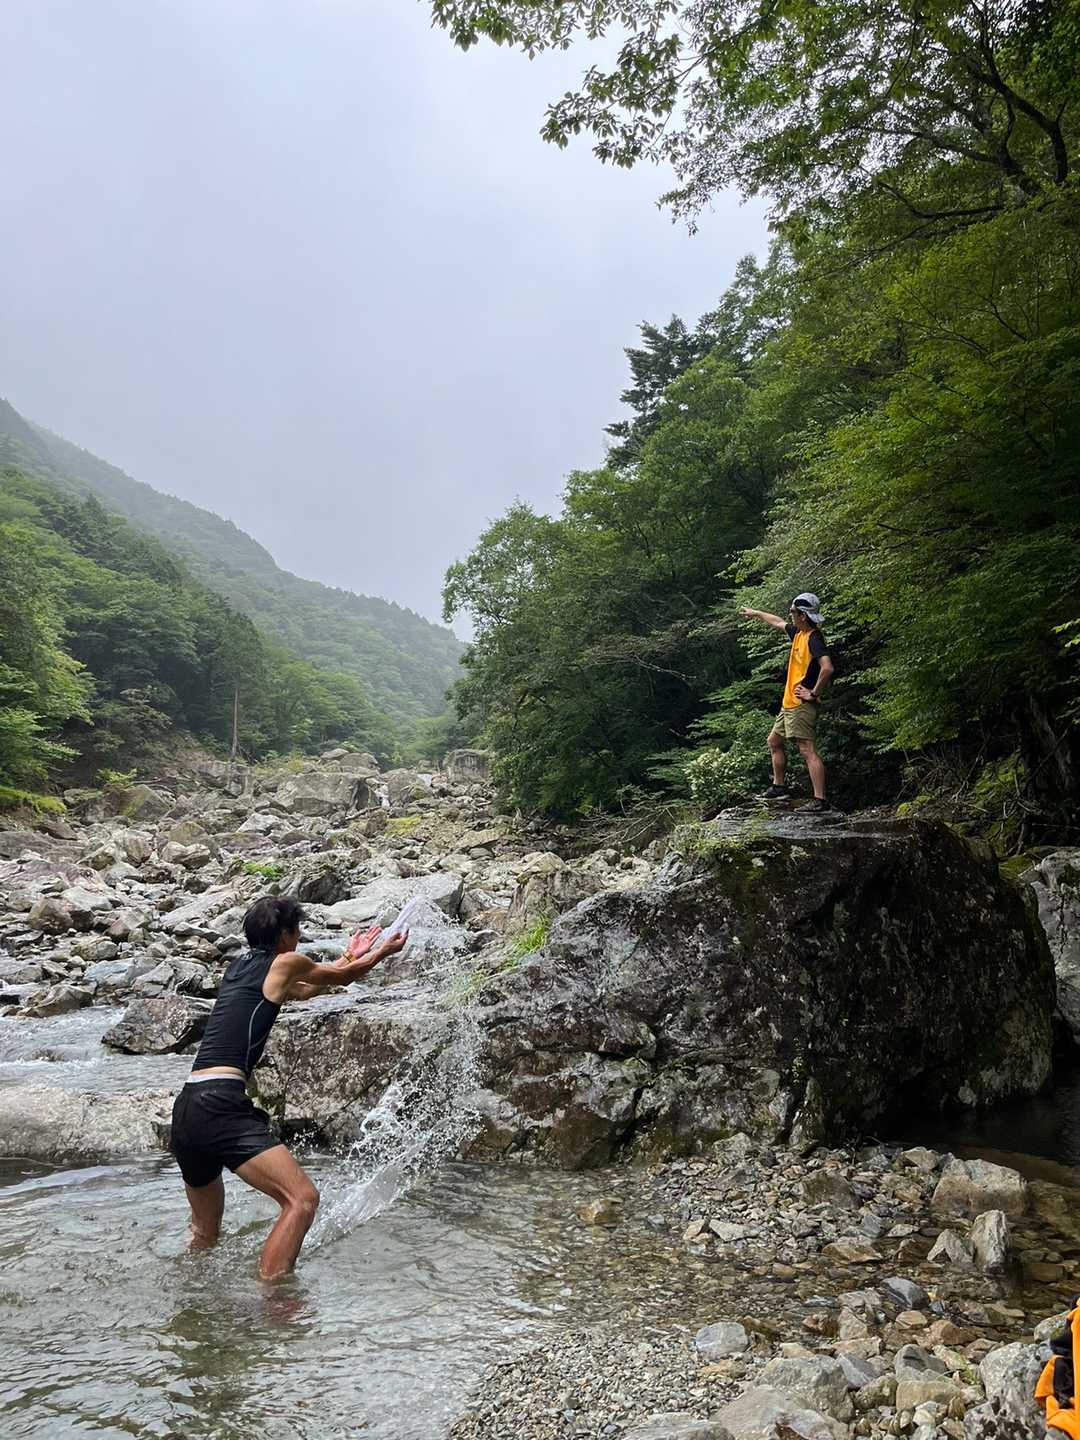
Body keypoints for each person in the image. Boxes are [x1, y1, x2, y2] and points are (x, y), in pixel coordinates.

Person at [169, 894, 407, 1279]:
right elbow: (340, 978)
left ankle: (190, 1299)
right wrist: (381, 952)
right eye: (297, 932)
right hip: (220, 1105)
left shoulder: (237, 968)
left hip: (187, 1107)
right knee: (302, 1199)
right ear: (284, 935)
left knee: (204, 1233)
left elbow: (306, 989)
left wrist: (350, 955)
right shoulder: (285, 962)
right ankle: (275, 1299)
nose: (298, 940)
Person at [740, 592, 835, 812]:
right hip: (789, 703)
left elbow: (827, 668)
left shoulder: (813, 638)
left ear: (803, 616)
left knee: (807, 749)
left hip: (802, 704)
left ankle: (820, 800)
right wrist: (756, 613)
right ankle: (779, 787)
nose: (790, 615)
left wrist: (813, 693)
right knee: (774, 741)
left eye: (793, 612)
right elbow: (777, 622)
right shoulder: (799, 634)